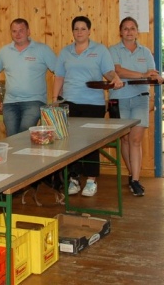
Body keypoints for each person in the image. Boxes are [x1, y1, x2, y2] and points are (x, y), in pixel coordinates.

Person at [53, 16, 123, 197]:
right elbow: (59, 76)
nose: (79, 32)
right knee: (72, 142)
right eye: (76, 29)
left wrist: (115, 78)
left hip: (94, 103)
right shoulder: (65, 52)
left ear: (89, 31)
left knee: (91, 142)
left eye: (83, 28)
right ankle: (74, 178)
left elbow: (108, 72)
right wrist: (55, 99)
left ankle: (91, 180)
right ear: (72, 32)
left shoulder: (100, 50)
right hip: (70, 101)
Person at [109, 17, 164, 197]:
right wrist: (143, 74)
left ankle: (135, 179)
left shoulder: (145, 52)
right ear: (120, 32)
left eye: (132, 28)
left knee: (136, 140)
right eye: (125, 29)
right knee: (125, 140)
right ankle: (132, 173)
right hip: (120, 99)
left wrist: (156, 77)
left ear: (137, 31)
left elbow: (152, 74)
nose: (129, 32)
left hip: (141, 98)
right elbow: (118, 71)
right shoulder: (113, 50)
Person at [0, 18, 57, 136]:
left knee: (24, 135)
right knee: (11, 137)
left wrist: (57, 99)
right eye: (14, 31)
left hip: (34, 101)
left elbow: (59, 73)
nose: (18, 34)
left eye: (21, 30)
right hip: (10, 102)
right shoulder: (4, 51)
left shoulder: (42, 50)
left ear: (28, 31)